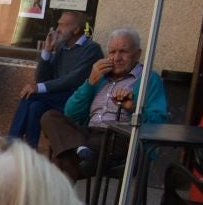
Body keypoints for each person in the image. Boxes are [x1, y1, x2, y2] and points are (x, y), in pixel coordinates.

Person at [38, 27, 167, 182]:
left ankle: (75, 158)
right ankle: (81, 152)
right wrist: (90, 83)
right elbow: (71, 113)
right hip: (88, 134)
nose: (117, 58)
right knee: (49, 116)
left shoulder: (149, 79)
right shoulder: (100, 77)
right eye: (112, 52)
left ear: (137, 54)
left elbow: (157, 123)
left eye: (123, 52)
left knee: (61, 161)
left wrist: (132, 108)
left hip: (120, 138)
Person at [6, 11, 98, 148]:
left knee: (31, 96)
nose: (57, 29)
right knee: (35, 107)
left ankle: (11, 144)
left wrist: (39, 88)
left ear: (76, 30)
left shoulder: (91, 49)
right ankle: (31, 150)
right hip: (56, 98)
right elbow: (42, 78)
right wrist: (47, 51)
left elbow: (73, 79)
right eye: (58, 24)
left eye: (62, 25)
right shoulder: (62, 47)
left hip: (75, 101)